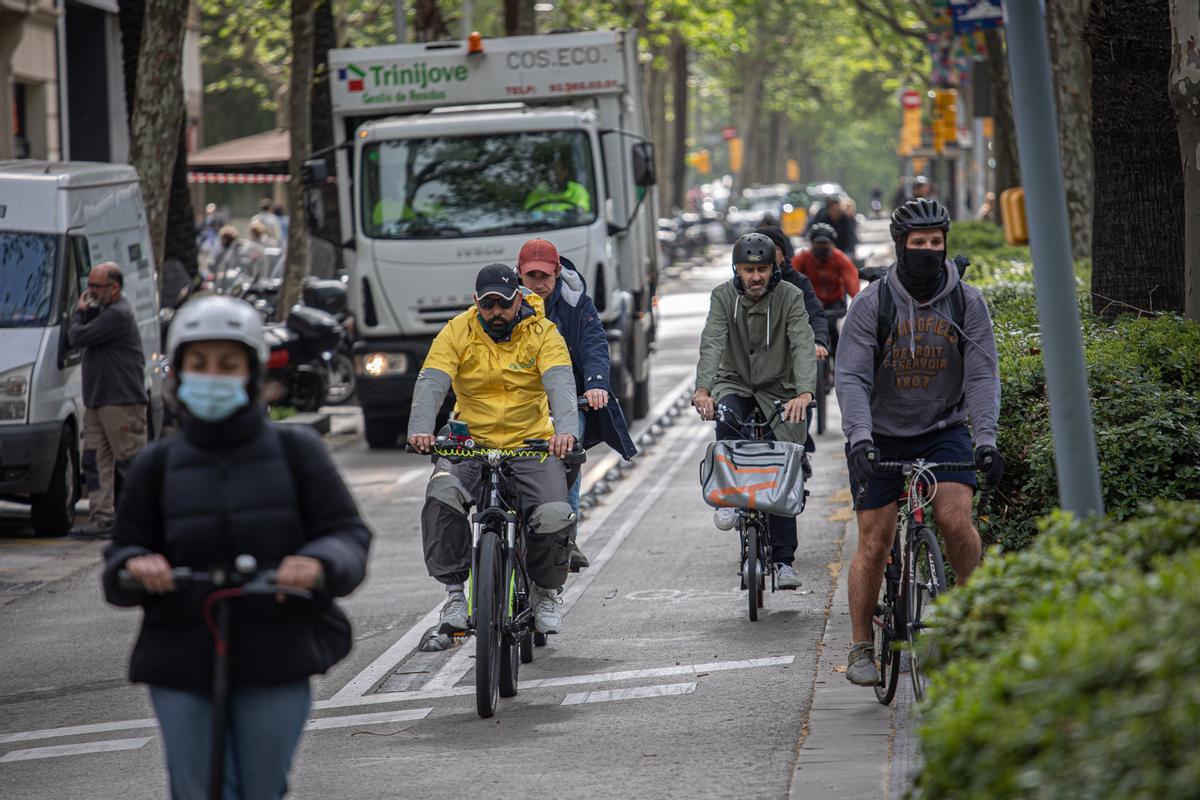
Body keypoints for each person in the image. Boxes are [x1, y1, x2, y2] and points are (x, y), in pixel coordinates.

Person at [101, 295, 372, 799]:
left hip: (277, 652)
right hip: (180, 655)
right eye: (199, 363)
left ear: (252, 371)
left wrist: (317, 563)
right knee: (196, 787)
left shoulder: (297, 450)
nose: (213, 375)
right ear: (177, 372)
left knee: (262, 786)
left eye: (228, 363)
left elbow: (348, 536)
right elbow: (119, 559)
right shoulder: (154, 465)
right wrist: (137, 566)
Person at [834, 198, 1004, 687]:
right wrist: (860, 439)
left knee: (955, 521)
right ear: (900, 246)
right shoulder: (873, 303)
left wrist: (986, 439)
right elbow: (850, 378)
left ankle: (972, 624)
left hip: (943, 430)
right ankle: (862, 646)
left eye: (936, 243)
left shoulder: (966, 301)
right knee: (874, 541)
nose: (928, 251)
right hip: (881, 436)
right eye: (918, 243)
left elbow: (983, 376)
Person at [408, 264, 579, 638]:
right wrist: (420, 429)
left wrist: (565, 433)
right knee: (442, 494)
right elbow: (432, 380)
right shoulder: (457, 331)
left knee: (554, 515)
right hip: (470, 443)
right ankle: (454, 594)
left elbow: (561, 384)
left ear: (519, 298)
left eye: (504, 303)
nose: (496, 312)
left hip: (531, 444)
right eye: (488, 305)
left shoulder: (543, 332)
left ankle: (546, 591)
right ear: (476, 302)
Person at [693, 232, 818, 590]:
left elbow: (803, 344)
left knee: (782, 463)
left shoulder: (791, 297)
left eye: (762, 269)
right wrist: (703, 390)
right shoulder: (722, 297)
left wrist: (805, 393)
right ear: (737, 269)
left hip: (781, 389)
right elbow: (713, 341)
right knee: (726, 417)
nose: (756, 277)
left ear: (774, 267)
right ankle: (729, 498)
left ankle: (784, 560)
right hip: (734, 382)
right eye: (748, 270)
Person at [516, 238, 637, 571]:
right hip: (521, 402)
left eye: (545, 277)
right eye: (531, 278)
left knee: (568, 452)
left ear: (557, 273)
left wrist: (596, 385)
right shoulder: (506, 306)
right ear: (519, 276)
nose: (539, 285)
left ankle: (566, 539)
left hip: (570, 398)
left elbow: (594, 344)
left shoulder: (577, 304)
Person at [68, 263, 148, 538]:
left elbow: (78, 336)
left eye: (96, 286)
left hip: (121, 401)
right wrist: (89, 310)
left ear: (115, 288)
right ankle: (102, 518)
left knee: (130, 461)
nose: (89, 291)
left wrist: (80, 313)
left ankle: (146, 518)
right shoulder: (103, 311)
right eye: (88, 285)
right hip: (98, 400)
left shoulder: (118, 315)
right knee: (94, 461)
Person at [755, 225, 830, 363]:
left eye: (774, 249)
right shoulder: (735, 288)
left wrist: (818, 341)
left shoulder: (798, 282)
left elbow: (815, 314)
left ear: (783, 255)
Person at [793, 222, 861, 357]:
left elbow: (852, 279)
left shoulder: (839, 258)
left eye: (825, 244)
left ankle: (838, 359)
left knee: (833, 333)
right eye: (818, 244)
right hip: (810, 301)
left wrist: (858, 302)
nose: (822, 247)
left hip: (833, 302)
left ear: (832, 244)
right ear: (811, 244)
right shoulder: (803, 258)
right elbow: (791, 278)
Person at [524, 152, 592, 217]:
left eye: (556, 170)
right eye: (550, 170)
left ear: (565, 171)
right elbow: (528, 212)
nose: (552, 174)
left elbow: (582, 213)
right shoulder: (539, 190)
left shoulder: (577, 190)